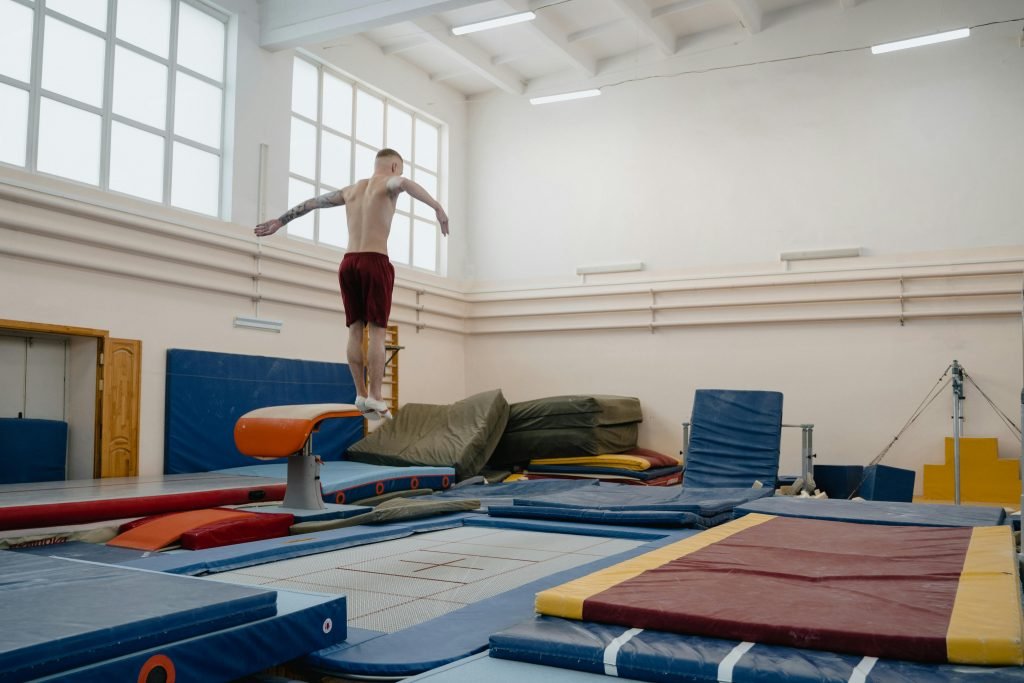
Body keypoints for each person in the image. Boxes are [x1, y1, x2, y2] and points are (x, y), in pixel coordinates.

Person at [255, 148, 449, 419]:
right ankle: (376, 396)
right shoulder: (390, 183)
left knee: (355, 330)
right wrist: (437, 207)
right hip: (374, 261)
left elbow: (312, 203)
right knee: (377, 332)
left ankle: (360, 393)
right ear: (395, 166)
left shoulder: (350, 191)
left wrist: (280, 221)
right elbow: (405, 184)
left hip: (348, 264)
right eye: (400, 170)